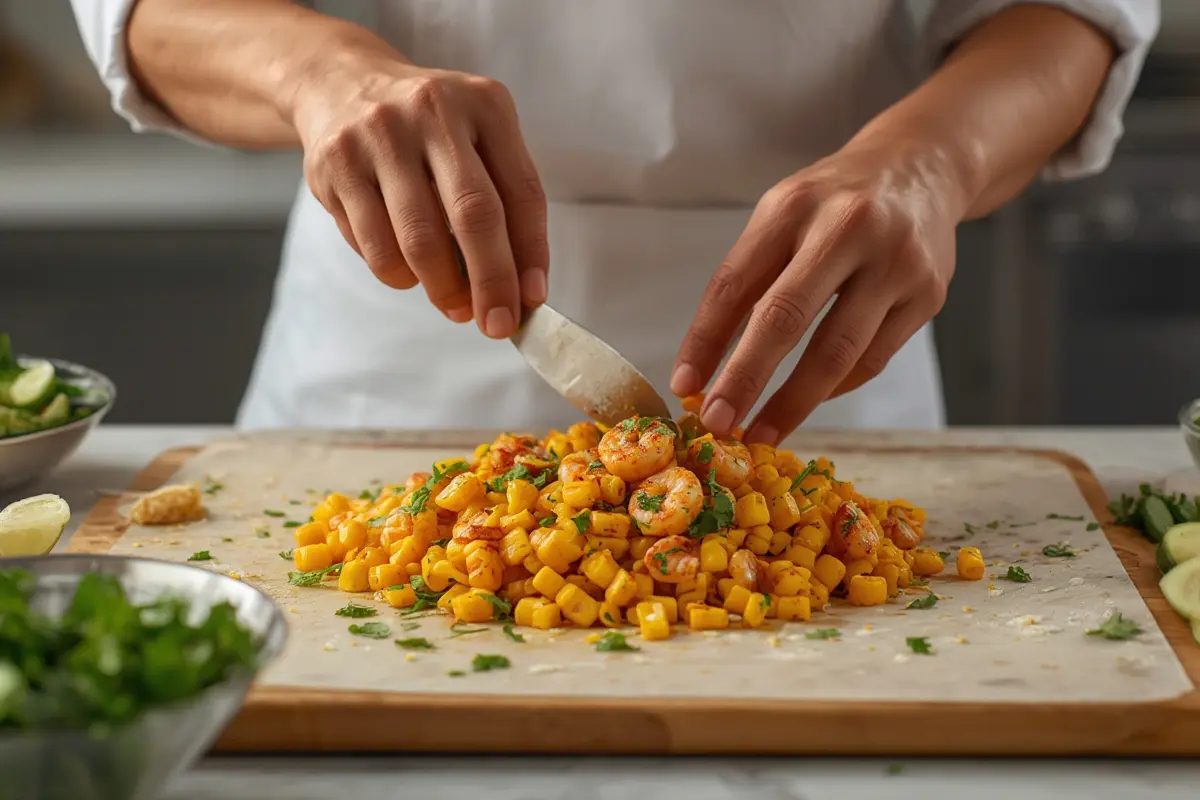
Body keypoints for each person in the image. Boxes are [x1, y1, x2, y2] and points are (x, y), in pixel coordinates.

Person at [70, 0, 1157, 444]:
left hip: (822, 369)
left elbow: (1071, 14)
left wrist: (929, 161)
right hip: (387, 354)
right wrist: (320, 75)